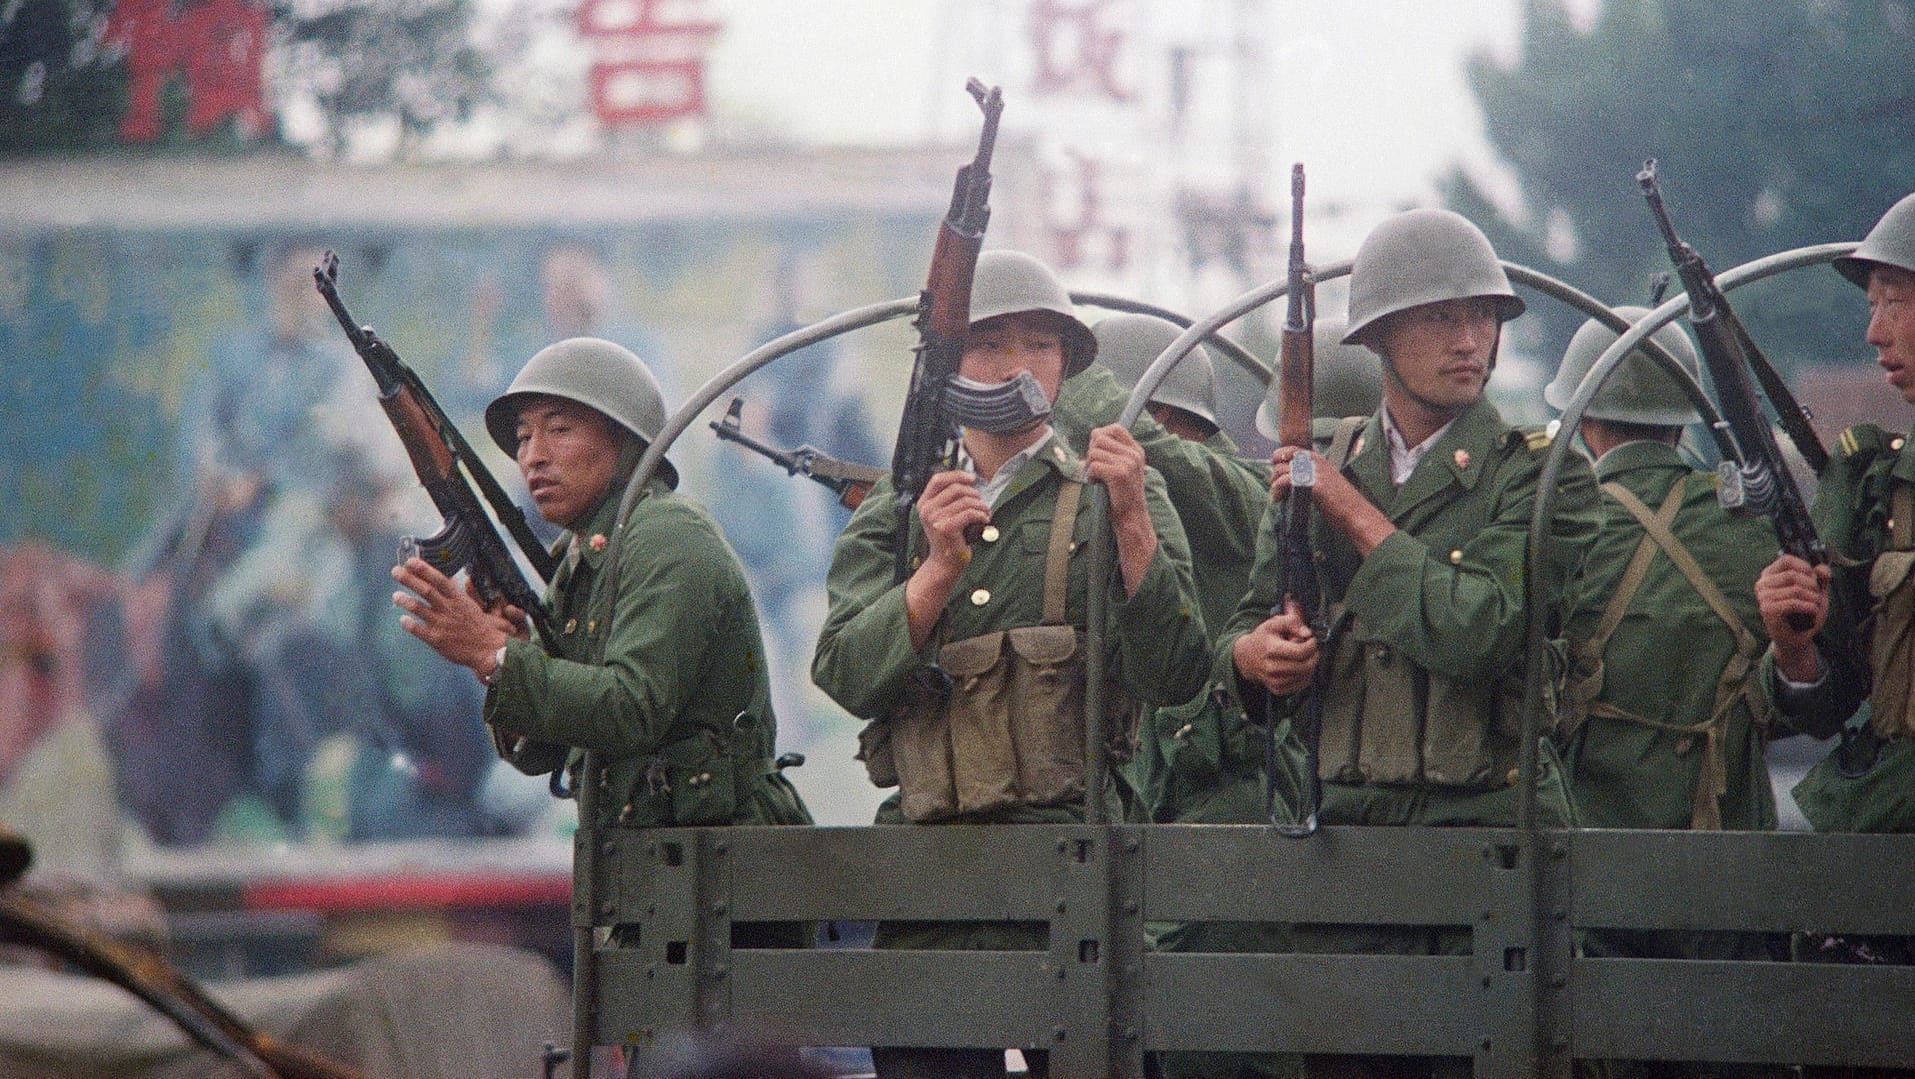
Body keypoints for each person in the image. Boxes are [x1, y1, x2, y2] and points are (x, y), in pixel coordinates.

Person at [1216, 208, 1600, 1079]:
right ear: (1381, 335)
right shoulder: (1319, 460)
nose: (1470, 341)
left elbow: (1478, 629)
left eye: (1483, 318)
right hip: (1346, 844)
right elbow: (1236, 636)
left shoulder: (1538, 472)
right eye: (1439, 318)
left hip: (1492, 839)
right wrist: (1254, 658)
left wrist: (1344, 505)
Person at [811, 249, 1209, 1079]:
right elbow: (844, 670)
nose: (1016, 366)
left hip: (1078, 872)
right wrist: (931, 576)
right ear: (949, 364)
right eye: (988, 343)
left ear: (1067, 365)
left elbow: (1177, 672)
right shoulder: (898, 508)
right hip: (930, 881)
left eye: (1040, 344)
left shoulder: (1114, 490)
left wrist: (1132, 516)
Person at [390, 336, 812, 845]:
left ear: (625, 441)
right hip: (648, 863)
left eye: (559, 430)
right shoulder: (586, 556)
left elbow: (630, 707)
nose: (533, 457)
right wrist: (508, 658)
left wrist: (493, 653)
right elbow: (541, 751)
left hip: (723, 870)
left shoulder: (667, 535)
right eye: (523, 438)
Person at [1547, 308, 1802, 1079]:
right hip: (1725, 882)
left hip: (1586, 885)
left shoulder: (1556, 527)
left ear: (1584, 418)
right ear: (1681, 413)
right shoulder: (1748, 528)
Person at [1756, 193, 1915, 1024]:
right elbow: (1831, 700)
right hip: (1882, 852)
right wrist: (1795, 649)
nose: (1873, 331)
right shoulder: (1874, 492)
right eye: (1870, 304)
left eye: (1895, 299)